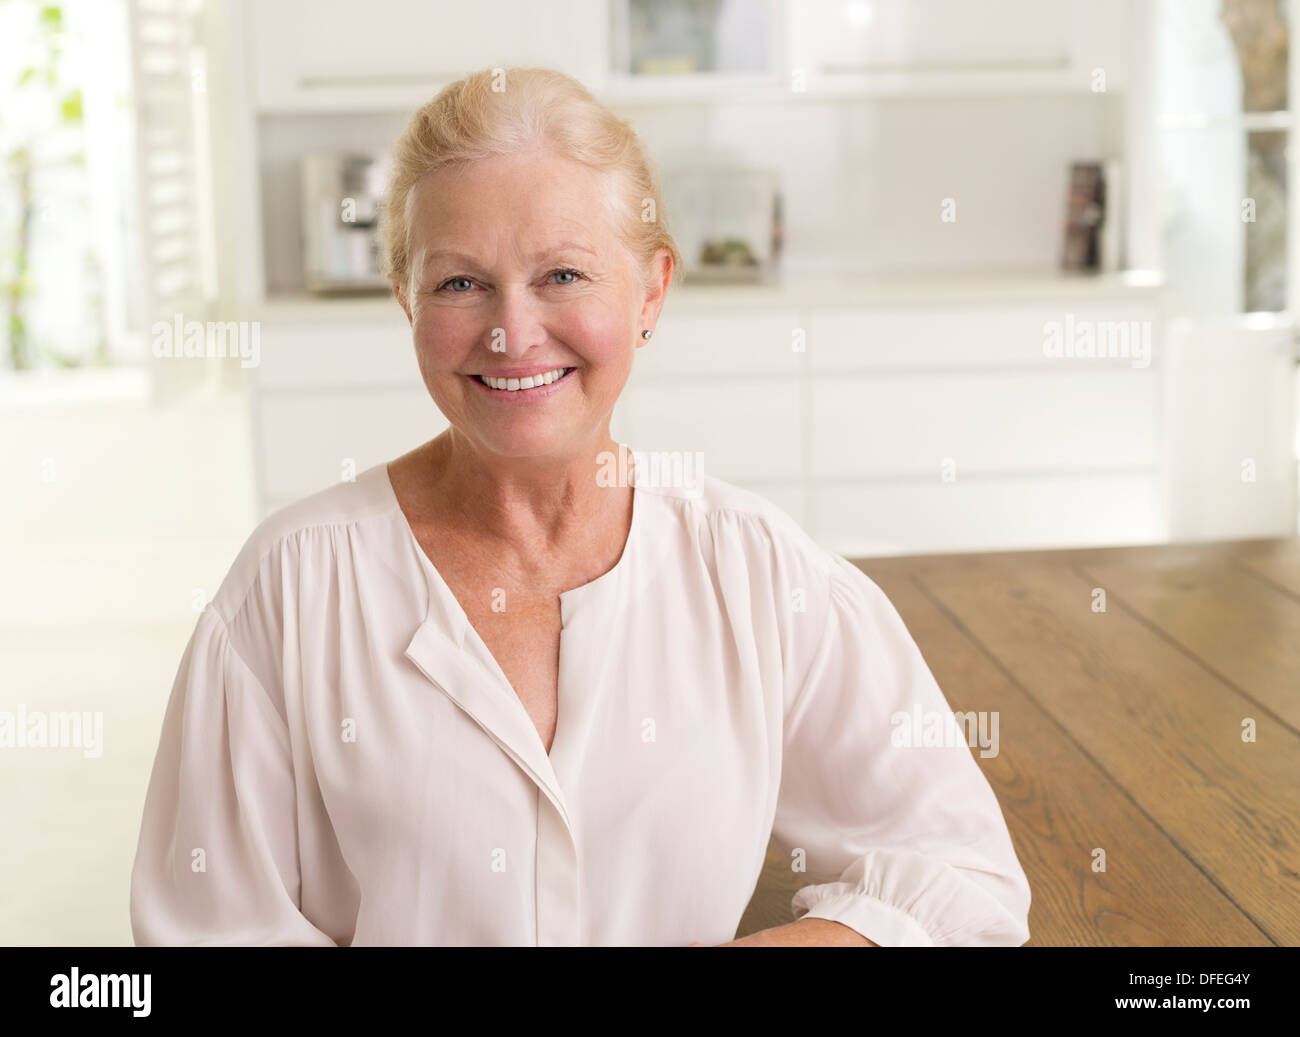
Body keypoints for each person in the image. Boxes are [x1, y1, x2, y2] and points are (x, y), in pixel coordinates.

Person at [129, 66, 1031, 947]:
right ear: (405, 297)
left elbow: (962, 875)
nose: (511, 331)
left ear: (651, 291)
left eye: (562, 275)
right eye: (458, 282)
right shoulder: (288, 590)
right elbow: (205, 928)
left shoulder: (758, 570)